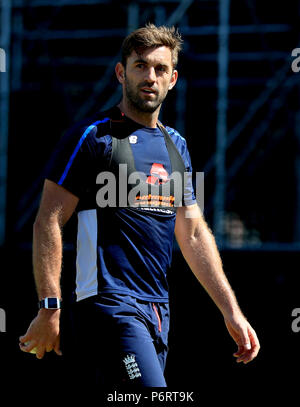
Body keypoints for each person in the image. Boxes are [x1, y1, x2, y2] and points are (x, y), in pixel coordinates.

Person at [19, 24, 260, 387]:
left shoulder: (177, 145)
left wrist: (232, 312)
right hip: (107, 305)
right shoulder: (91, 137)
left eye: (160, 69)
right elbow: (48, 221)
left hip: (157, 309)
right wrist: (49, 307)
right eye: (140, 66)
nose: (150, 77)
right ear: (121, 72)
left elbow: (193, 234)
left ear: (173, 78)